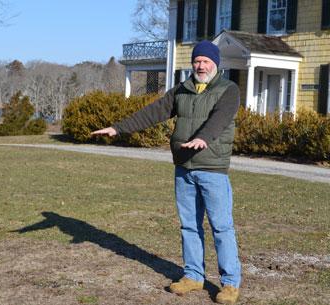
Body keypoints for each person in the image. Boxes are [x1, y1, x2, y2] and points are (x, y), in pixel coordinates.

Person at [91, 40, 241, 305]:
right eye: (197, 61)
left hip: (212, 169)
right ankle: (193, 276)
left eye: (206, 61)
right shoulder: (182, 90)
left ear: (216, 64)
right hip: (183, 168)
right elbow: (154, 112)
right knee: (189, 226)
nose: (201, 65)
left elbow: (220, 119)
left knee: (221, 227)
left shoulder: (228, 90)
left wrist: (203, 138)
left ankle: (229, 284)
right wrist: (118, 128)